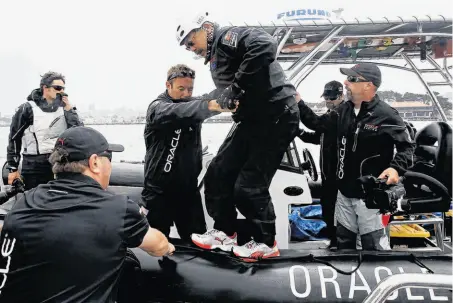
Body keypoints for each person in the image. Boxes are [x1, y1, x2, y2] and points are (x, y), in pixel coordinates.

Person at [176, 12, 300, 260]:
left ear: (206, 28)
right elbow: (224, 92)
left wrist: (237, 87)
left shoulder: (227, 37)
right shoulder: (216, 57)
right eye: (187, 46)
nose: (191, 49)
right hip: (252, 121)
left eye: (191, 41)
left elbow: (265, 45)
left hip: (276, 116)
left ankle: (266, 242)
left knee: (249, 185)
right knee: (217, 174)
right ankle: (225, 232)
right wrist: (194, 106)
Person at [0, 126, 175, 303]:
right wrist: (168, 247)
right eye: (109, 158)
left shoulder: (24, 201)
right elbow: (158, 245)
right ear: (94, 163)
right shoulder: (118, 209)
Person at [298, 63, 415, 250]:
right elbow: (318, 124)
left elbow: (408, 148)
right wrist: (298, 103)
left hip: (370, 197)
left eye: (352, 79)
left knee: (372, 246)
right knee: (344, 244)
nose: (346, 82)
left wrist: (395, 168)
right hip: (344, 194)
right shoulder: (342, 110)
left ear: (369, 85)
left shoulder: (386, 115)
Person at [142, 64, 235, 242]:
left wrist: (234, 84)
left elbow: (211, 97)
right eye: (181, 89)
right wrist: (210, 106)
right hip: (158, 192)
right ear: (168, 85)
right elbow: (180, 112)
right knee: (156, 243)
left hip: (187, 191)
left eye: (190, 89)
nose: (186, 93)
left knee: (197, 240)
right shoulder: (157, 108)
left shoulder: (194, 104)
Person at [6, 71, 84, 190]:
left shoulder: (65, 108)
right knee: (34, 199)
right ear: (45, 88)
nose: (61, 91)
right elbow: (14, 139)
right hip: (34, 164)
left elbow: (78, 132)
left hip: (59, 162)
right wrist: (13, 168)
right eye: (58, 88)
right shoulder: (27, 109)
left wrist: (70, 110)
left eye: (63, 88)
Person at [297, 81, 344, 248]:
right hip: (327, 175)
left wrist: (299, 103)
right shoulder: (331, 116)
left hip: (337, 175)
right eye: (326, 97)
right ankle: (334, 240)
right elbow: (317, 136)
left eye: (331, 97)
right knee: (327, 207)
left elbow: (315, 123)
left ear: (341, 96)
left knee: (334, 210)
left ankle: (339, 242)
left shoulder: (339, 114)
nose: (328, 101)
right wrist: (298, 132)